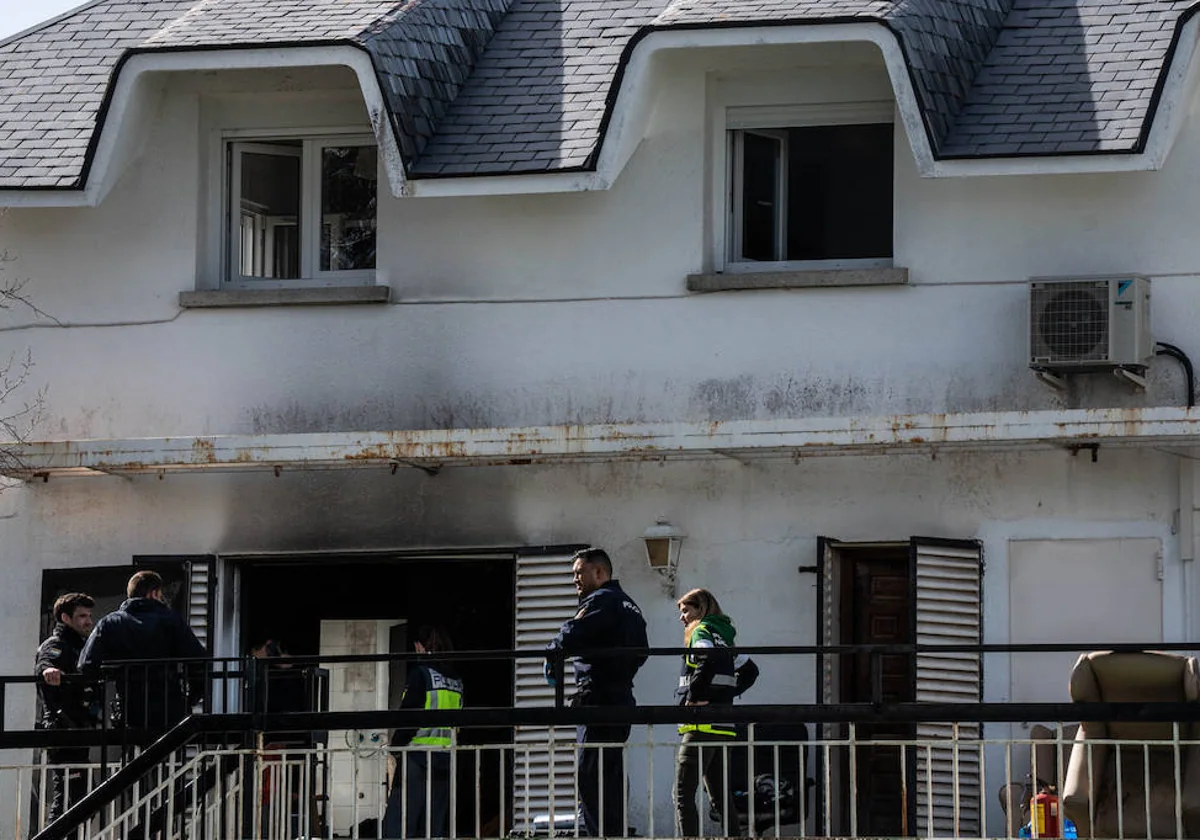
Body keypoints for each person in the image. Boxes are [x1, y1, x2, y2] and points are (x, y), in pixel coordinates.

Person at [547, 548, 648, 837]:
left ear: (599, 572)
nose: (575, 580)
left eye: (579, 573)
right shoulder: (631, 606)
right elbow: (643, 652)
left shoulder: (602, 600)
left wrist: (552, 652)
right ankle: (612, 833)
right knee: (612, 772)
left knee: (591, 775)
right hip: (621, 698)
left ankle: (599, 835)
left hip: (598, 698)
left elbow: (571, 634)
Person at [672, 588, 759, 838]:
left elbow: (706, 659)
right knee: (721, 796)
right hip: (724, 724)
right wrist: (724, 697)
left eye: (686, 610)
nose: (682, 617)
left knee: (682, 793)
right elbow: (751, 671)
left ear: (701, 609)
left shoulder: (701, 631)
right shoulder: (724, 638)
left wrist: (695, 697)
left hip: (700, 726)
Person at [78, 570, 207, 735]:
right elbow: (199, 661)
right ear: (153, 593)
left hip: (128, 707)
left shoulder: (110, 623)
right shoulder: (171, 620)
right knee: (170, 757)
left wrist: (108, 679)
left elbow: (87, 665)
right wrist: (191, 697)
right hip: (168, 707)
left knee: (132, 754)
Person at [383, 625, 463, 839]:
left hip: (417, 756)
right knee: (433, 825)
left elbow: (410, 716)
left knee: (400, 822)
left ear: (419, 647)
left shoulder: (421, 675)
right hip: (445, 757)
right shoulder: (456, 680)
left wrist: (395, 745)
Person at [34, 592, 99, 823]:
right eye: (82, 616)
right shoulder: (56, 645)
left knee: (80, 800)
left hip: (78, 730)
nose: (88, 621)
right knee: (71, 802)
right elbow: (45, 663)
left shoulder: (82, 646)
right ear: (65, 618)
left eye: (89, 615)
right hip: (64, 731)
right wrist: (48, 671)